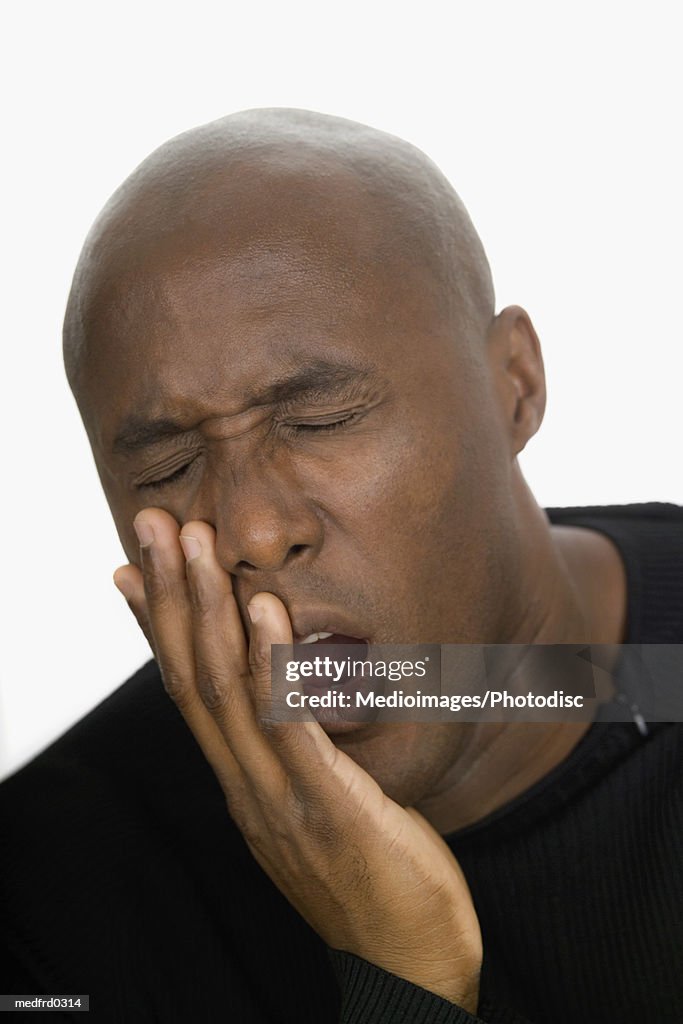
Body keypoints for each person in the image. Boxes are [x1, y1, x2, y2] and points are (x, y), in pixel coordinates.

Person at [1, 109, 681, 1024]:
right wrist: (403, 979)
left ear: (513, 386)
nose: (248, 530)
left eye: (319, 420)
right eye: (166, 468)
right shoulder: (47, 899)